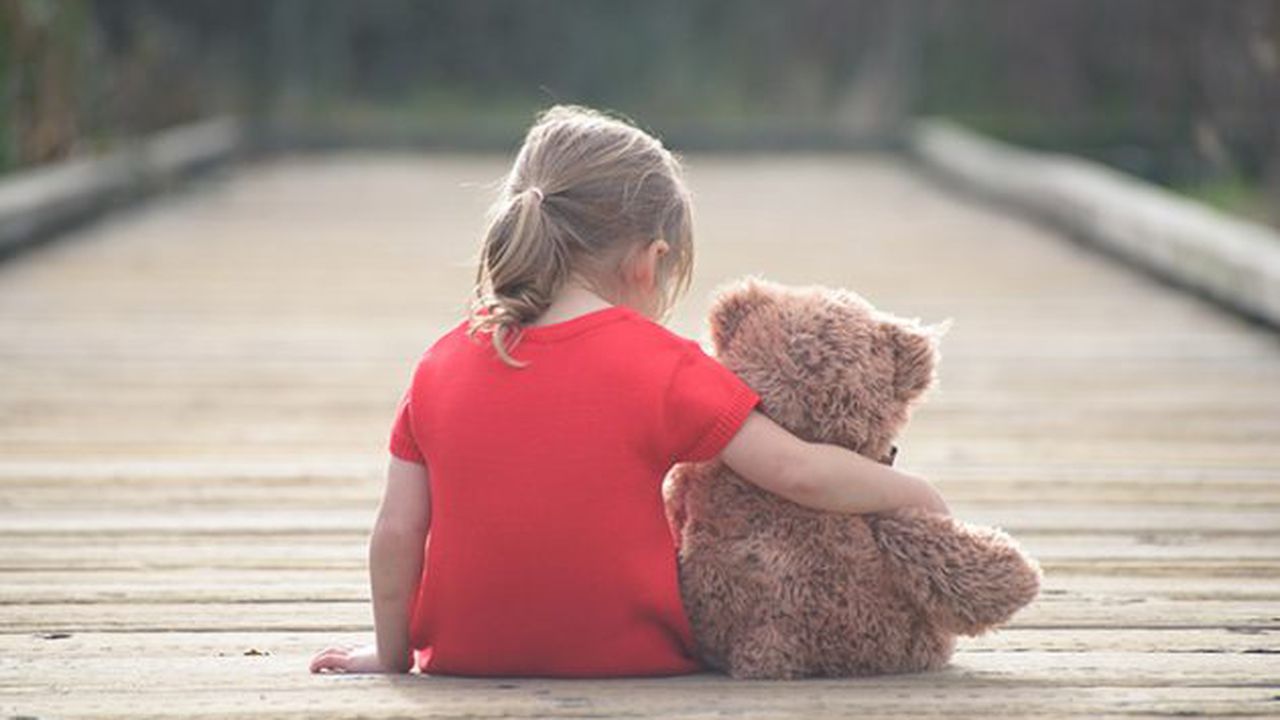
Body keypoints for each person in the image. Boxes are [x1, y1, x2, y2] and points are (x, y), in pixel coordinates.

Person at [308, 104, 949, 678]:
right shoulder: (662, 364)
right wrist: (915, 494)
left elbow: (396, 531)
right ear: (648, 260)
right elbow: (799, 473)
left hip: (463, 657)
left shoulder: (437, 365)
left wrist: (391, 658)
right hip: (633, 656)